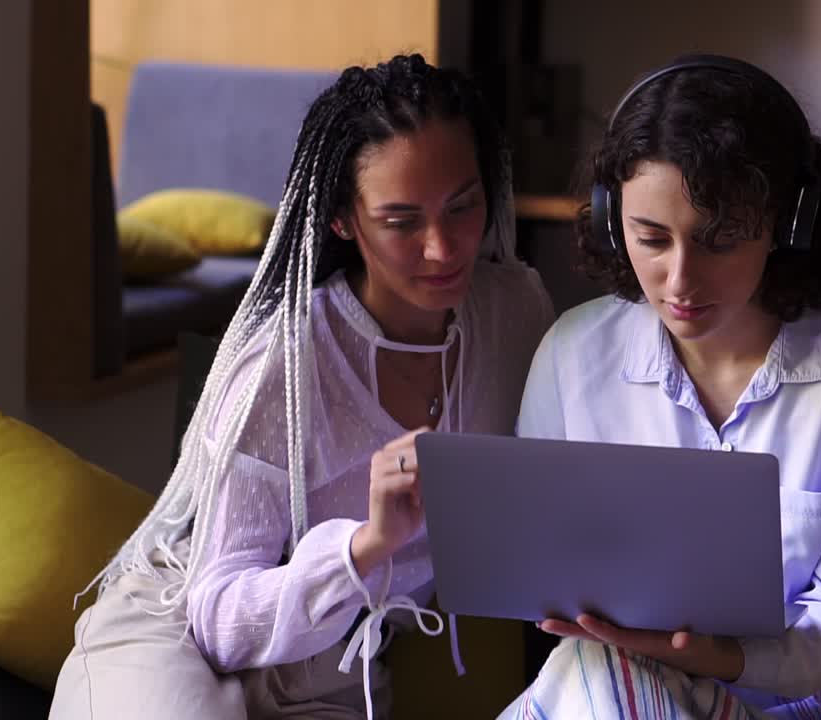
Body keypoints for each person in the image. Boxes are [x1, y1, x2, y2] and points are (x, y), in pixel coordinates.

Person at [49, 54, 554, 720]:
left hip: (335, 674)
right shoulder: (284, 363)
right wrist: (367, 544)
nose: (443, 247)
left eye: (461, 206)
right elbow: (220, 622)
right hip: (179, 636)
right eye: (402, 222)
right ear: (344, 219)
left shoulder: (513, 315)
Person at [500, 55, 821, 719]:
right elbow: (543, 572)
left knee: (595, 677)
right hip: (637, 685)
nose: (681, 279)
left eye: (720, 241)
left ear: (789, 224)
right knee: (593, 669)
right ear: (611, 220)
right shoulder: (573, 353)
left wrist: (708, 657)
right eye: (651, 238)